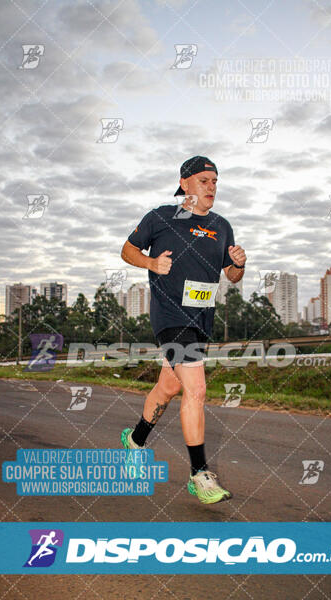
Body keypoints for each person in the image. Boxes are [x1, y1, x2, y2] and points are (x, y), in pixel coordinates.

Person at [120, 156, 246, 504]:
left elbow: (231, 278)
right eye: (204, 181)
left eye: (215, 182)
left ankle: (135, 440)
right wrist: (151, 263)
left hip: (201, 320)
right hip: (170, 317)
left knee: (168, 388)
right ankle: (199, 474)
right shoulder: (161, 217)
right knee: (197, 389)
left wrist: (239, 264)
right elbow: (127, 249)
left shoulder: (222, 226)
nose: (211, 188)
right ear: (185, 183)